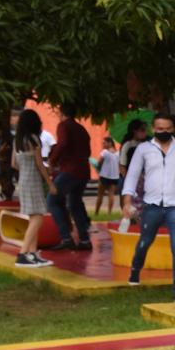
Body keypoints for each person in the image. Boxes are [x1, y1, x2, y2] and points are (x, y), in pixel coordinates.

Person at [121, 112, 175, 300]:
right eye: (159, 129)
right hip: (152, 205)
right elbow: (132, 174)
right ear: (153, 129)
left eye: (167, 129)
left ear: (173, 129)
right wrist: (127, 199)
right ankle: (135, 269)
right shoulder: (143, 149)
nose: (163, 132)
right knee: (145, 242)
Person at [11, 109, 56, 267]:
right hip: (33, 181)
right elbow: (39, 164)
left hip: (23, 180)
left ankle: (33, 254)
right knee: (38, 218)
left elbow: (13, 164)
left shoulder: (17, 140)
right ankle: (23, 253)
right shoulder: (34, 139)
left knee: (33, 217)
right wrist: (50, 182)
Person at [46, 112, 93, 251]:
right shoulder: (81, 129)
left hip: (69, 170)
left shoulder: (64, 126)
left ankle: (66, 237)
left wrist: (52, 160)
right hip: (83, 170)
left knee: (52, 201)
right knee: (75, 204)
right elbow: (88, 151)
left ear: (62, 113)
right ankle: (84, 239)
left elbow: (63, 143)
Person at [93, 136, 122, 215]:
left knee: (100, 195)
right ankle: (109, 212)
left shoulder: (105, 152)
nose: (103, 145)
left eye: (104, 143)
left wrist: (97, 169)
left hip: (104, 176)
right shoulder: (118, 153)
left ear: (110, 143)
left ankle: (96, 212)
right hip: (115, 176)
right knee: (111, 195)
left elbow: (99, 162)